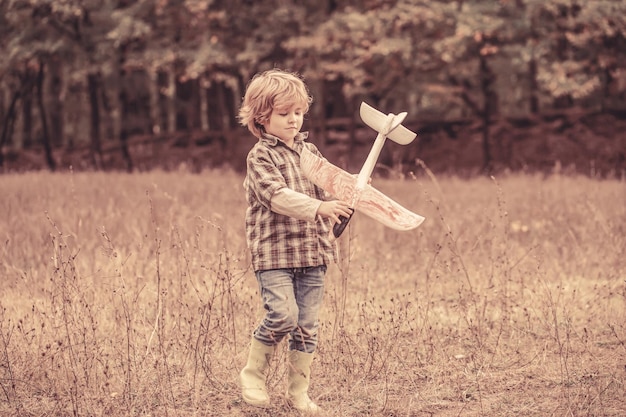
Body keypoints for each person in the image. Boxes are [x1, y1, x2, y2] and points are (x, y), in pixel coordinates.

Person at [238, 68, 352, 412]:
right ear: (261, 117)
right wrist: (320, 207)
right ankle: (253, 375)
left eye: (298, 113)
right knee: (283, 316)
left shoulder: (310, 152)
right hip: (275, 255)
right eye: (284, 114)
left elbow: (335, 186)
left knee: (306, 326)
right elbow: (278, 196)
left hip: (313, 253)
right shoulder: (260, 157)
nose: (293, 120)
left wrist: (352, 188)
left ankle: (298, 391)